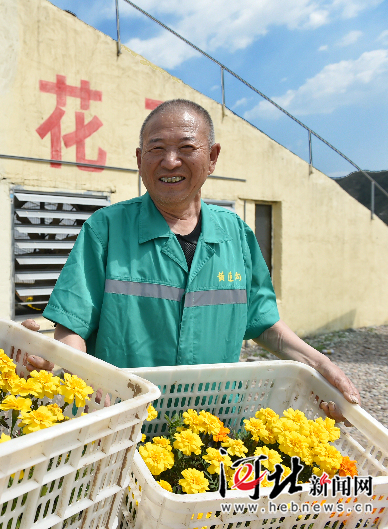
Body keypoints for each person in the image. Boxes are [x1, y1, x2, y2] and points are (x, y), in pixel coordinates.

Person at [27, 99, 359, 422]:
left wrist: (319, 366)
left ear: (212, 157)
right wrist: (84, 379)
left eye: (186, 148)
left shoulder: (237, 235)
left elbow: (264, 323)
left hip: (213, 429)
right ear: (140, 159)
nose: (170, 162)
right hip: (124, 422)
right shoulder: (106, 229)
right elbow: (71, 327)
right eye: (156, 149)